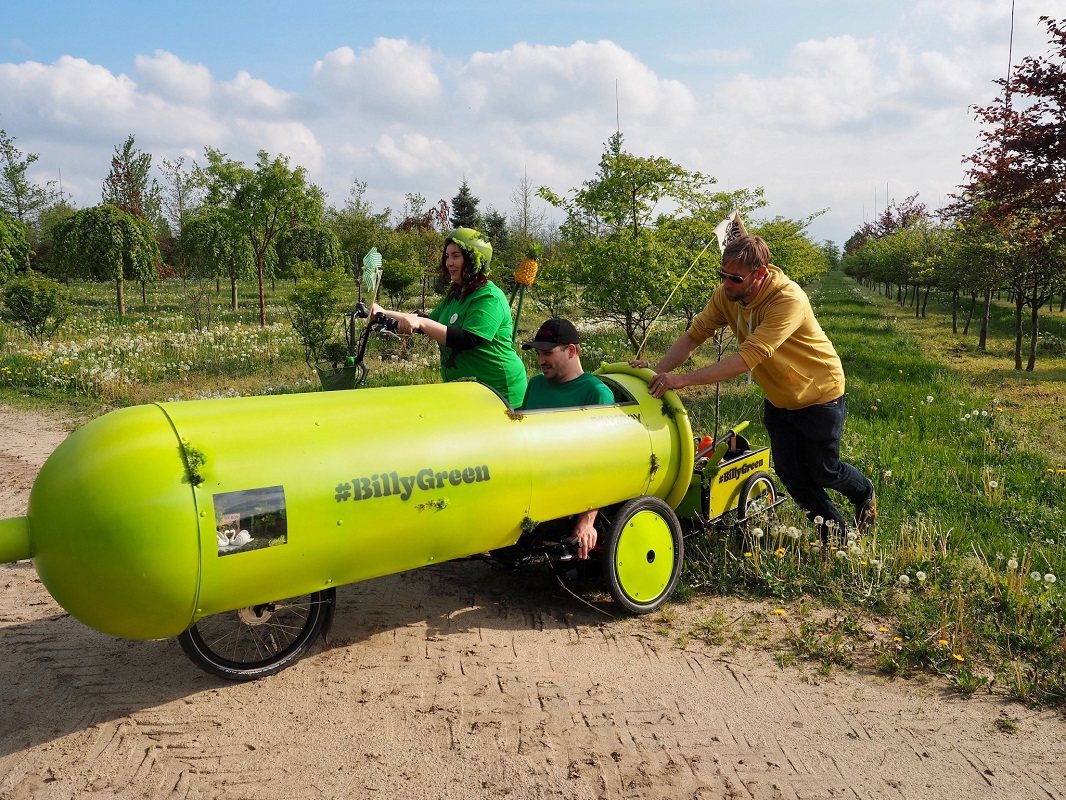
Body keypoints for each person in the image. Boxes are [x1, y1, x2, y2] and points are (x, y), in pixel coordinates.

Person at [633, 234, 876, 541]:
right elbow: (694, 336)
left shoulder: (787, 299)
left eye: (735, 278)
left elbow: (748, 358)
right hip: (779, 398)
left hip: (819, 394)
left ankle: (864, 492)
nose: (726, 284)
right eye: (722, 274)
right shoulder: (727, 296)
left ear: (760, 273)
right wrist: (658, 372)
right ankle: (835, 533)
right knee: (790, 474)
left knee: (823, 471)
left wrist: (683, 381)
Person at [372, 228, 527, 408]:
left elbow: (468, 339)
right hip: (468, 393)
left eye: (456, 256)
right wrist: (382, 313)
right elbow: (428, 321)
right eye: (447, 256)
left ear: (474, 260)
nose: (449, 263)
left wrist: (422, 322)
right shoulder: (455, 295)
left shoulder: (489, 297)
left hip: (500, 393)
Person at [520, 317, 615, 558]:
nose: (541, 361)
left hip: (570, 494)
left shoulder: (596, 393)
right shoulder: (536, 385)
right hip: (532, 487)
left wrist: (587, 520)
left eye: (547, 353)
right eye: (538, 354)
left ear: (571, 350)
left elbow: (606, 464)